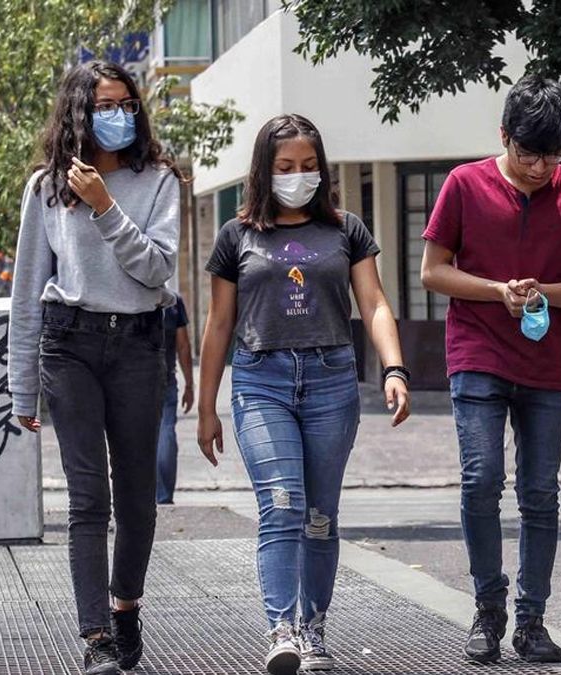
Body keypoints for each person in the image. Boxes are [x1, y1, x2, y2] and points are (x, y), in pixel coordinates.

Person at [197, 114, 411, 675]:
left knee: (320, 514)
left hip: (331, 380)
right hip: (260, 379)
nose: (299, 175)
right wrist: (205, 407)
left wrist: (394, 368)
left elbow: (375, 304)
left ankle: (314, 626)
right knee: (282, 505)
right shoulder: (236, 234)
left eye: (309, 166)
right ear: (264, 171)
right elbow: (219, 325)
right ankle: (281, 630)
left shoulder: (347, 229)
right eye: (286, 167)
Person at [420, 75, 561, 664]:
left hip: (545, 363)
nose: (540, 167)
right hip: (476, 353)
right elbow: (432, 271)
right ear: (504, 136)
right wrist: (495, 291)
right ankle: (487, 608)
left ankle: (531, 621)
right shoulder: (463, 184)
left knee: (541, 494)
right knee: (481, 480)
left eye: (553, 155)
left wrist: (540, 294)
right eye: (529, 153)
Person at [9, 60, 180, 675]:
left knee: (139, 499)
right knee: (88, 498)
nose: (119, 116)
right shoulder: (46, 187)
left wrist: (106, 207)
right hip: (69, 346)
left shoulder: (159, 180)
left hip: (138, 344)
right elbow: (29, 289)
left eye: (127, 105)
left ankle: (125, 605)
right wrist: (20, 387)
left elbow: (158, 272)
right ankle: (97, 638)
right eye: (106, 105)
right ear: (80, 113)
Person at [156, 288, 194, 505]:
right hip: (166, 379)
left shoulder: (133, 295)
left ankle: (141, 494)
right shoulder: (173, 301)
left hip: (132, 380)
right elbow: (183, 345)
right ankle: (163, 496)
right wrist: (189, 384)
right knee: (166, 432)